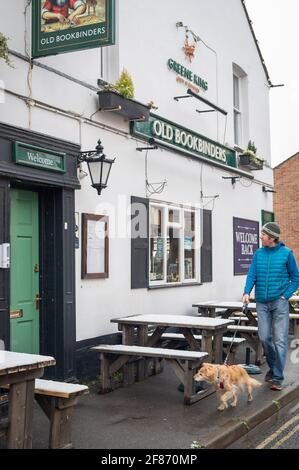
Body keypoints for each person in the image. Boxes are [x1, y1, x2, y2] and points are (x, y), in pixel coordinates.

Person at [243, 222, 299, 391]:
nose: (261, 236)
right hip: (261, 303)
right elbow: (252, 274)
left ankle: (277, 377)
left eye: (263, 234)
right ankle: (274, 369)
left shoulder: (286, 254)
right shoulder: (258, 254)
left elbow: (296, 278)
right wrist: (246, 292)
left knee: (280, 341)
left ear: (272, 237)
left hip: (279, 303)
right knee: (265, 337)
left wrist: (285, 296)